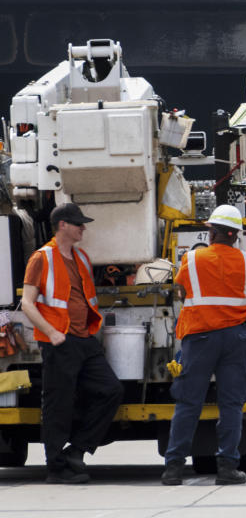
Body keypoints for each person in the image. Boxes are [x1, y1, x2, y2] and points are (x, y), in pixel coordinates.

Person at [20, 203, 123, 484]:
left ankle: (76, 450)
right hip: (59, 341)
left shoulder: (82, 258)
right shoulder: (41, 258)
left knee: (111, 390)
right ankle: (55, 468)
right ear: (62, 225)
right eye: (79, 224)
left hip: (84, 339)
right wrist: (51, 332)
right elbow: (27, 304)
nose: (83, 228)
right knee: (58, 404)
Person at [161, 204, 246, 486]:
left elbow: (181, 290)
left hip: (201, 337)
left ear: (212, 232)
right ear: (236, 235)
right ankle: (228, 467)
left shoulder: (192, 260)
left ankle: (173, 468)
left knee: (189, 402)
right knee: (231, 403)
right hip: (235, 339)